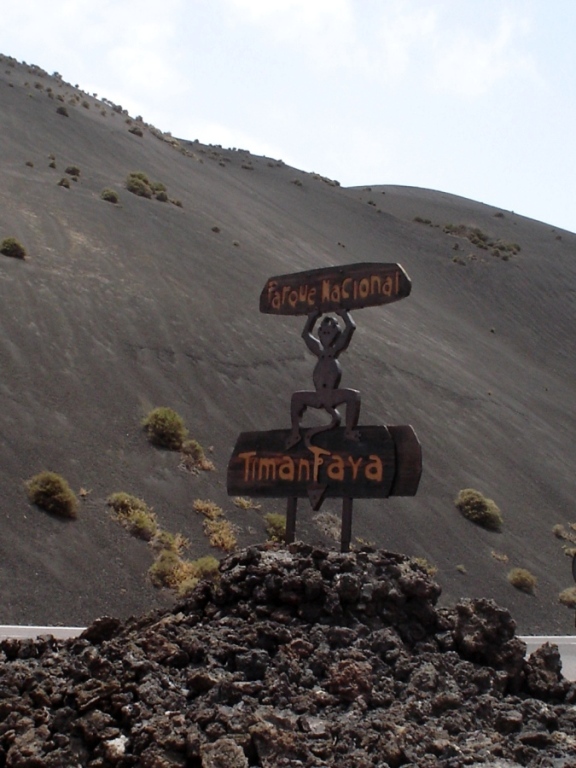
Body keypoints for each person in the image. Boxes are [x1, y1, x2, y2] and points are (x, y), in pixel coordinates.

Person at [286, 308, 361, 448]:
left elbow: (350, 327)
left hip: (331, 394)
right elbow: (305, 334)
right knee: (296, 398)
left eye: (330, 331)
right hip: (318, 395)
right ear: (319, 332)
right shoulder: (319, 350)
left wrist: (343, 313)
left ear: (336, 333)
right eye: (323, 331)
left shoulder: (335, 350)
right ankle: (295, 433)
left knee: (353, 396)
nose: (326, 334)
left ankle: (349, 431)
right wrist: (311, 317)